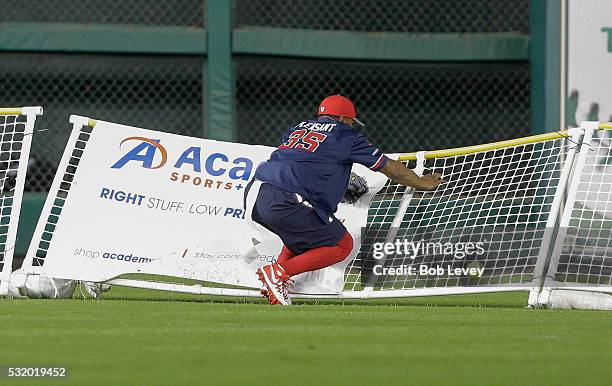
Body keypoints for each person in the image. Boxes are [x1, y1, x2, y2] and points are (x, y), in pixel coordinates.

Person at [246, 95, 444, 305]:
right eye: (351, 121)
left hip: (259, 195)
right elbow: (390, 168)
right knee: (342, 244)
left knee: (303, 237)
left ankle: (276, 281)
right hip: (287, 198)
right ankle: (279, 273)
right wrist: (423, 183)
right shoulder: (345, 135)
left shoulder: (298, 128)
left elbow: (304, 160)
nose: (352, 125)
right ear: (342, 119)